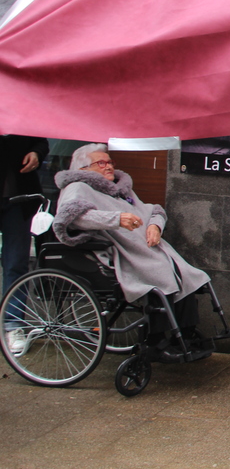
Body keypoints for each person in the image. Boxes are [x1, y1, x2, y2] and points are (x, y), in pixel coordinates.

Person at [52, 144, 212, 359]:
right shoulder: (78, 188)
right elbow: (73, 217)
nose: (109, 166)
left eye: (110, 162)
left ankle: (186, 334)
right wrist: (116, 219)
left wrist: (155, 226)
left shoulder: (120, 190)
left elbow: (152, 210)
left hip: (145, 249)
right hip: (117, 253)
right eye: (101, 163)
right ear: (83, 169)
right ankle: (156, 342)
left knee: (186, 275)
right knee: (159, 275)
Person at [2, 134, 48, 356]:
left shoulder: (21, 114)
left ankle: (13, 324)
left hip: (18, 195)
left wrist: (37, 153)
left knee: (16, 262)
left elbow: (41, 139)